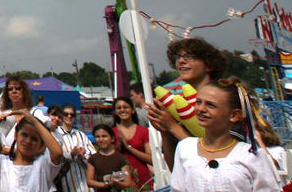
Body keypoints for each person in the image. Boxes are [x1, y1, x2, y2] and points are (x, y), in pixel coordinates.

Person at [169, 77, 278, 191]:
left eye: (211, 105)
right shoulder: (185, 148)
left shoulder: (251, 155)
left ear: (234, 115)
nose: (201, 108)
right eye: (198, 102)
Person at [146, 37, 226, 171]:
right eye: (178, 57)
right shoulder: (178, 104)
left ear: (209, 65)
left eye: (190, 56)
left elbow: (214, 157)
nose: (181, 61)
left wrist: (173, 127)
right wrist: (164, 130)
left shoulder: (223, 98)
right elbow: (174, 167)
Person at [0, 112, 63, 192]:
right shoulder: (3, 163)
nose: (28, 141)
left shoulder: (44, 164)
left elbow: (58, 153)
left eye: (34, 139)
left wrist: (33, 120)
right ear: (16, 135)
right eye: (24, 135)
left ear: (41, 144)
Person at [111, 96, 151, 187]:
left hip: (142, 178)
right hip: (120, 180)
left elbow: (150, 159)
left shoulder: (143, 131)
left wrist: (129, 147)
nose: (122, 110)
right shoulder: (111, 132)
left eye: (125, 107)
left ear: (133, 111)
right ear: (115, 112)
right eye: (119, 108)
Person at [55, 105, 96, 192]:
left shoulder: (81, 135)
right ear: (61, 116)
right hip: (66, 183)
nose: (69, 116)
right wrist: (70, 155)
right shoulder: (55, 135)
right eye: (66, 114)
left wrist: (83, 155)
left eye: (72, 114)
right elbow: (54, 159)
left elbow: (93, 156)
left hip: (84, 183)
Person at [85, 125, 132, 190]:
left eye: (104, 136)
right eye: (97, 137)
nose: (101, 139)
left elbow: (127, 182)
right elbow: (89, 181)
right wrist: (105, 184)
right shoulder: (93, 158)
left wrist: (116, 182)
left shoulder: (120, 158)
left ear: (112, 138)